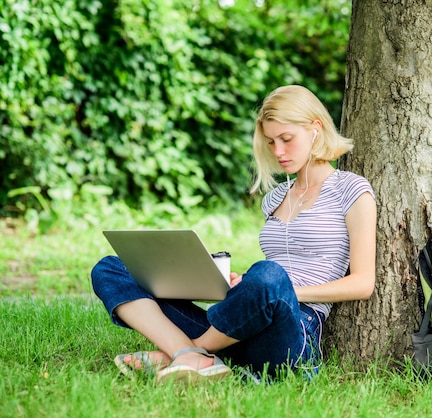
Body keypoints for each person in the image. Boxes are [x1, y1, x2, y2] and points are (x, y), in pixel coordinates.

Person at [91, 85, 377, 384]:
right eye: (270, 142)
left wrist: (279, 291)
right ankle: (193, 354)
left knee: (268, 274)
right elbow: (264, 283)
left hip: (292, 331)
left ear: (315, 129)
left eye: (286, 139)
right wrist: (238, 285)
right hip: (239, 324)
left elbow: (362, 283)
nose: (278, 151)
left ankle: (192, 353)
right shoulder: (276, 197)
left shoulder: (351, 190)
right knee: (111, 268)